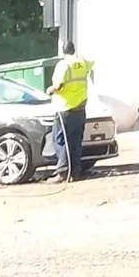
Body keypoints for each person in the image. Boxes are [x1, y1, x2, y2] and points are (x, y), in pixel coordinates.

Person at [50, 40, 93, 181]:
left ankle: (63, 172)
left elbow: (58, 85)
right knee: (75, 141)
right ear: (74, 50)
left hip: (65, 108)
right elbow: (92, 63)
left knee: (61, 140)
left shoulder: (63, 65)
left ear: (63, 51)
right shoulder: (83, 63)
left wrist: (50, 90)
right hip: (80, 108)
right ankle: (75, 172)